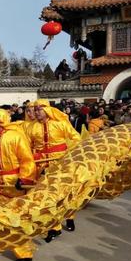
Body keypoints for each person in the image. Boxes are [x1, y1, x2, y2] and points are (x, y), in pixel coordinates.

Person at [0, 109, 36, 261]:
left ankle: (24, 252)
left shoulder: (16, 137)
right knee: (1, 215)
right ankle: (5, 241)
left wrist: (24, 178)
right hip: (0, 184)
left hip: (14, 183)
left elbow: (27, 160)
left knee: (16, 218)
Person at [27, 99, 81, 242]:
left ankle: (69, 216)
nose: (36, 112)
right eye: (35, 109)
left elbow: (76, 139)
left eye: (39, 109)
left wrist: (67, 155)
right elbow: (27, 146)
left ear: (47, 110)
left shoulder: (60, 124)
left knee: (66, 193)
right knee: (46, 196)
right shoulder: (32, 127)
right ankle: (54, 227)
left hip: (60, 165)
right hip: (41, 166)